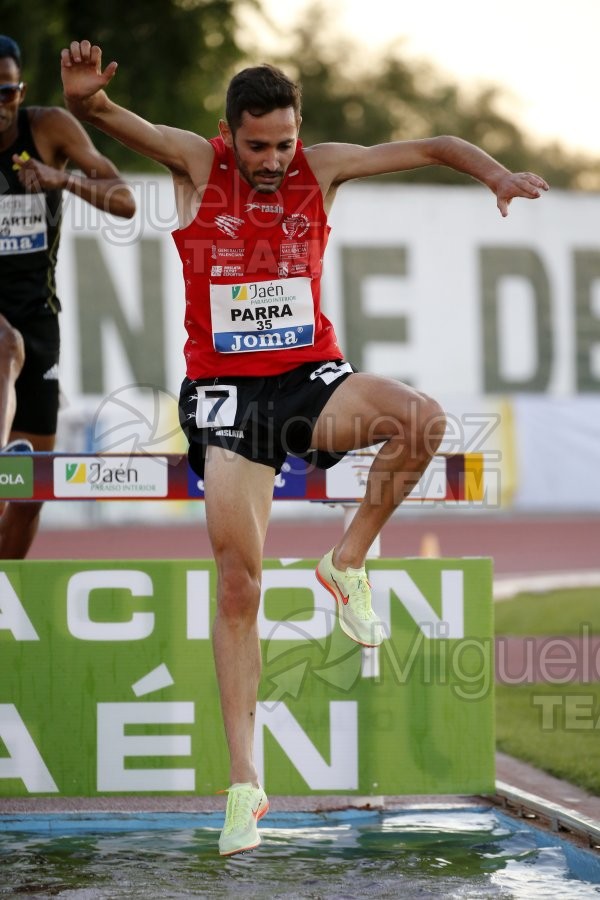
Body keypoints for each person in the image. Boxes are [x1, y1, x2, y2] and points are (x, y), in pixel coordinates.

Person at [60, 39, 548, 856]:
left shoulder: (318, 170)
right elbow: (115, 119)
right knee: (239, 582)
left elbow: (432, 145)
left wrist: (494, 175)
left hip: (311, 378)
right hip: (227, 398)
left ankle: (347, 561)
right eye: (258, 146)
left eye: (284, 142)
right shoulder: (194, 162)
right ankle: (246, 785)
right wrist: (86, 103)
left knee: (422, 421)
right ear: (229, 134)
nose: (273, 160)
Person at [0, 35, 136, 559]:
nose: (0, 104)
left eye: (6, 92)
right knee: (4, 346)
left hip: (38, 316)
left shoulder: (49, 128)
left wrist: (63, 179)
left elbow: (123, 201)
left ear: (21, 90)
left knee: (29, 492)